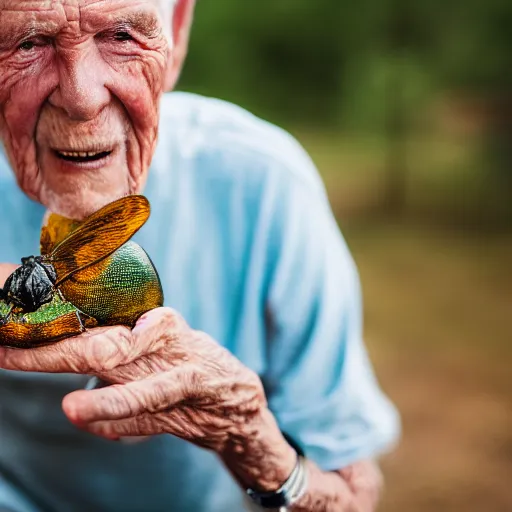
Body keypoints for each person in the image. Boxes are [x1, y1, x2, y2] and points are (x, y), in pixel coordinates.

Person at [0, 1, 399, 511]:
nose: (81, 98)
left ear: (179, 29)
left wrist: (252, 440)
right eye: (29, 43)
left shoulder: (265, 183)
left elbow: (353, 495)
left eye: (121, 35)